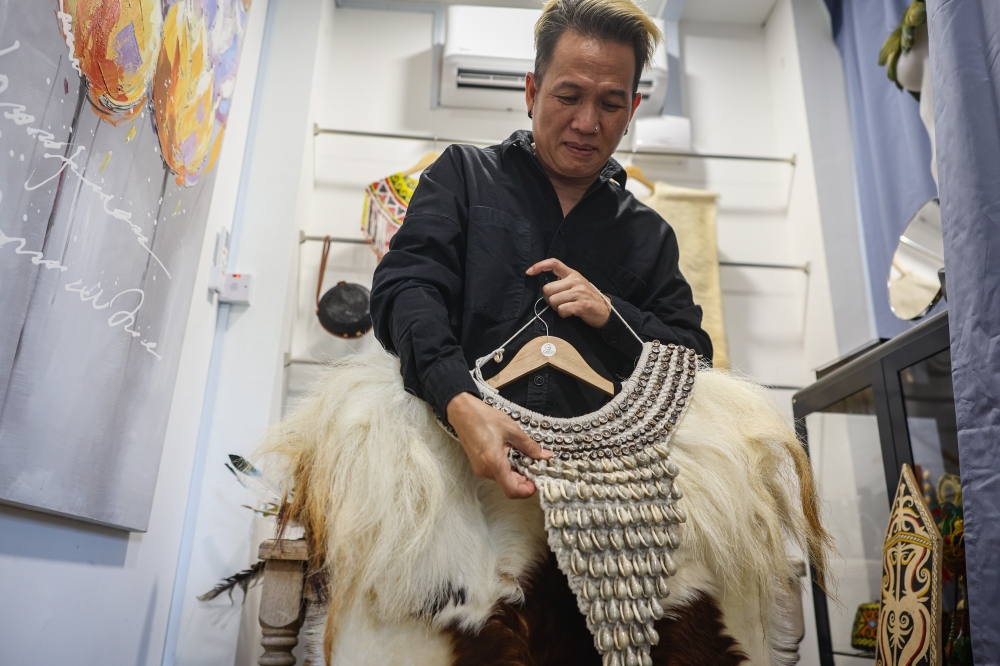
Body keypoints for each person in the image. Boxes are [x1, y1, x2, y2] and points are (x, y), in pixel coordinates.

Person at [370, 0, 711, 502]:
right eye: (568, 96)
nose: (587, 123)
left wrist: (613, 315)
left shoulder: (650, 235)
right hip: (449, 463)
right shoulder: (463, 176)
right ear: (532, 92)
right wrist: (459, 400)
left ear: (633, 109)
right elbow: (406, 288)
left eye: (611, 105)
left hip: (608, 490)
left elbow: (692, 358)